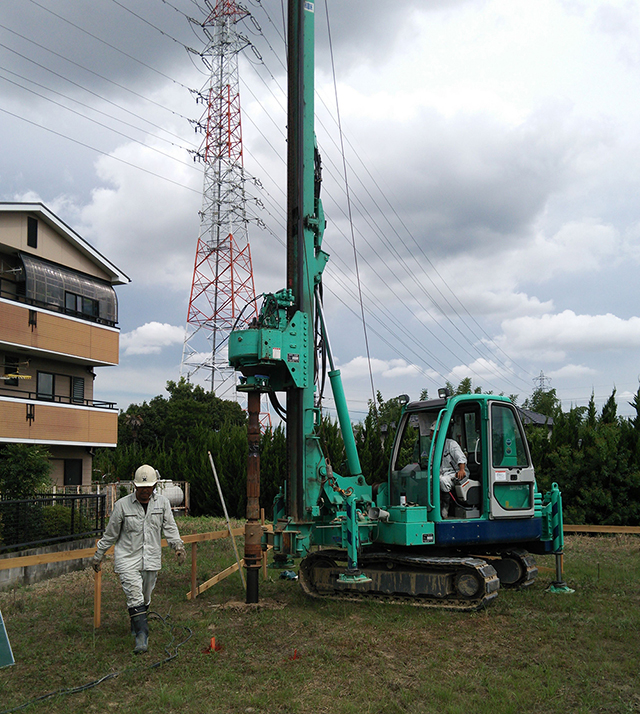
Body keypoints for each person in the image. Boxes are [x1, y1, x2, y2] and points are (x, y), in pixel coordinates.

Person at [92, 464, 186, 654]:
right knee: (134, 594)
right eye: (141, 488)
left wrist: (178, 546)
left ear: (154, 487)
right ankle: (142, 637)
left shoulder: (162, 504)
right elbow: (110, 534)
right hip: (127, 558)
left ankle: (136, 623)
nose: (145, 492)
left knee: (145, 596)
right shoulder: (122, 506)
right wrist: (98, 555)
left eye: (148, 488)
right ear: (135, 486)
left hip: (150, 558)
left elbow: (170, 527)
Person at [431, 423, 469, 519]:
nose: (430, 434)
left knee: (442, 481)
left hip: (455, 472)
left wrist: (461, 469)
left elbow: (461, 457)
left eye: (432, 431)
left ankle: (445, 508)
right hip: (440, 473)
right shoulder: (434, 447)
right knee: (430, 480)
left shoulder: (451, 444)